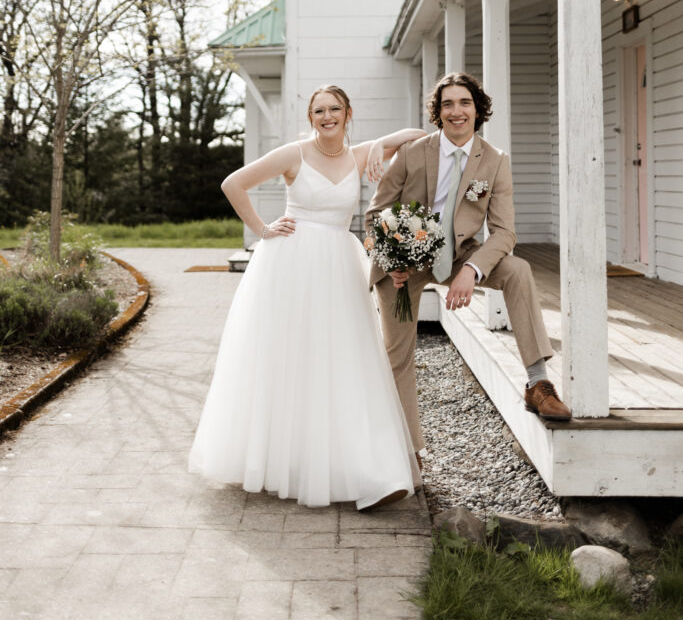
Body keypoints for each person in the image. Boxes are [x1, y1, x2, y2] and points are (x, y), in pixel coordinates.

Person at [189, 85, 424, 510]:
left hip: (338, 265)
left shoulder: (359, 155)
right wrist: (262, 229)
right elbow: (233, 183)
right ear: (311, 116)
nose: (327, 116)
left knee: (341, 361)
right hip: (290, 265)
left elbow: (417, 136)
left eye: (335, 109)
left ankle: (360, 468)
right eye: (319, 110)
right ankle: (282, 462)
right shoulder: (293, 154)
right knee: (290, 360)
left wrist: (376, 150)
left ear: (348, 113)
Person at [365, 71, 571, 460]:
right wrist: (392, 256)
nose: (456, 111)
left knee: (518, 270)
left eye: (464, 103)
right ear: (438, 112)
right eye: (447, 104)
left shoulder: (495, 162)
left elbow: (505, 233)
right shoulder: (412, 153)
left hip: (461, 254)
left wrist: (471, 270)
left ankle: (538, 384)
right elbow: (376, 213)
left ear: (478, 110)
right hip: (404, 262)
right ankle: (406, 452)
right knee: (397, 355)